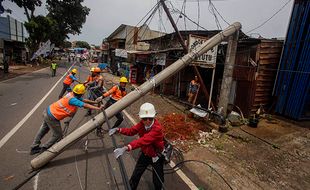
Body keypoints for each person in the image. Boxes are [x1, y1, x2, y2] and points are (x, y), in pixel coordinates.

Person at [30, 84, 103, 155]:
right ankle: (44, 149)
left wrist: (95, 102)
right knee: (58, 135)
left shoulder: (71, 94)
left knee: (43, 130)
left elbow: (84, 100)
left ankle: (34, 147)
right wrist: (98, 108)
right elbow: (85, 105)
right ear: (80, 94)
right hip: (52, 116)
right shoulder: (73, 100)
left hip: (48, 111)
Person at [109, 103, 165, 190]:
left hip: (156, 155)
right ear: (141, 118)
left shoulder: (157, 129)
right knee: (136, 175)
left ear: (154, 117)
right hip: (145, 153)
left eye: (150, 118)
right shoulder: (141, 124)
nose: (147, 121)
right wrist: (118, 129)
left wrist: (126, 148)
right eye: (144, 119)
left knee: (157, 180)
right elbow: (132, 131)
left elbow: (143, 140)